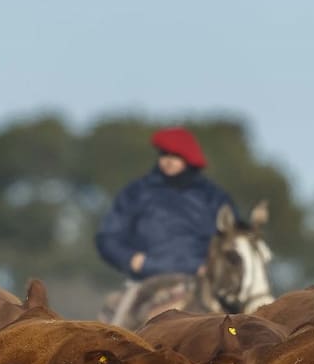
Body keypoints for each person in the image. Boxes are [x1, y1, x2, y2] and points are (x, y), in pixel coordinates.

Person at [96, 127, 239, 324]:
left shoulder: (213, 198)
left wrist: (212, 266)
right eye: (164, 154)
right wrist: (129, 258)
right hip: (145, 282)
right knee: (111, 335)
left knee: (241, 330)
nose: (169, 160)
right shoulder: (137, 192)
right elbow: (108, 237)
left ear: (189, 158)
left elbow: (233, 242)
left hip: (201, 282)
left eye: (176, 155)